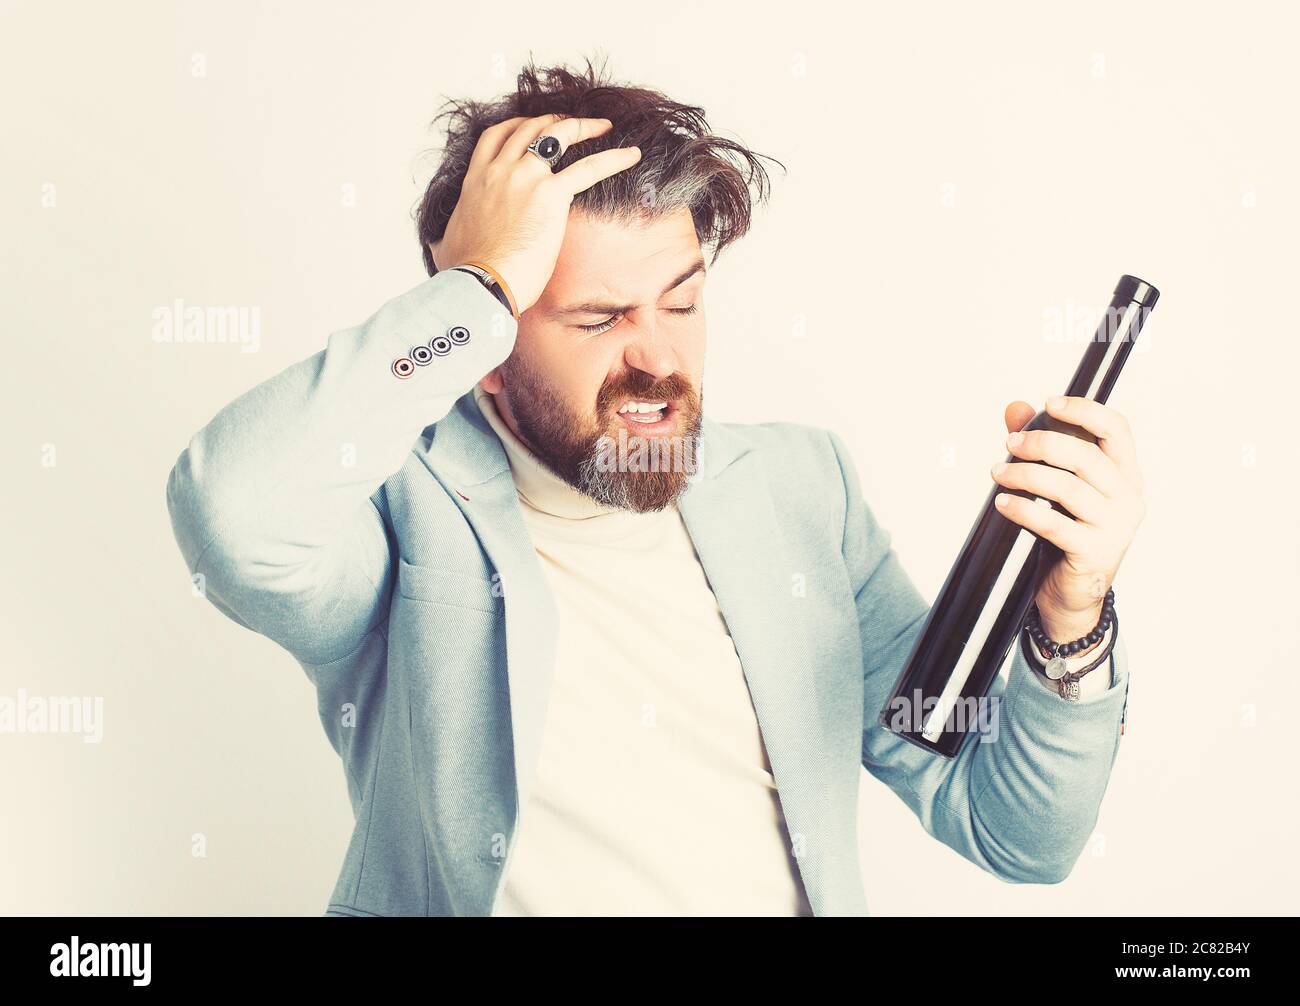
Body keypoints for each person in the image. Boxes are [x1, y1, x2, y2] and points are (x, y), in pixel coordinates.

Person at [165, 56, 1144, 917]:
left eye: (681, 299)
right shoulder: (393, 510)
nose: (657, 357)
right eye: (597, 318)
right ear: (488, 347)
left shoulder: (801, 490)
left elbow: (1010, 829)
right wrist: (469, 291)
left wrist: (1072, 616)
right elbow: (233, 515)